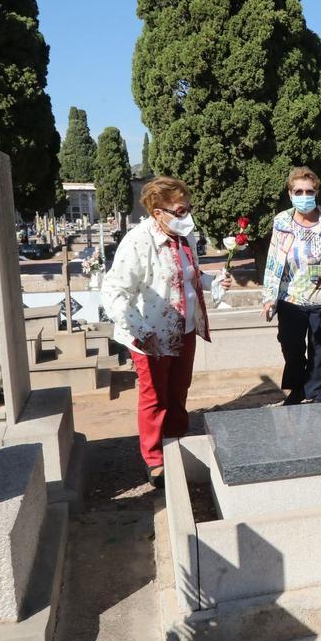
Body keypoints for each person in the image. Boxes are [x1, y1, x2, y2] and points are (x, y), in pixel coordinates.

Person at [102, 176, 231, 487]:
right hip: (151, 335)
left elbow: (188, 275)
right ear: (158, 212)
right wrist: (140, 330)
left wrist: (213, 282)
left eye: (188, 208)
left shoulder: (182, 237)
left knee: (178, 391)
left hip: (183, 329)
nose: (186, 215)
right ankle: (155, 458)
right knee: (154, 396)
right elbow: (114, 291)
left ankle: (176, 444)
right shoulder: (138, 241)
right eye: (180, 210)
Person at [261, 166, 321, 405]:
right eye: (298, 191)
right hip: (292, 300)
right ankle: (298, 390)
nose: (303, 196)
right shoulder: (282, 221)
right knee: (292, 349)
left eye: (308, 191)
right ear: (290, 193)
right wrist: (269, 296)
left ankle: (314, 400)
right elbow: (274, 260)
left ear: (317, 192)